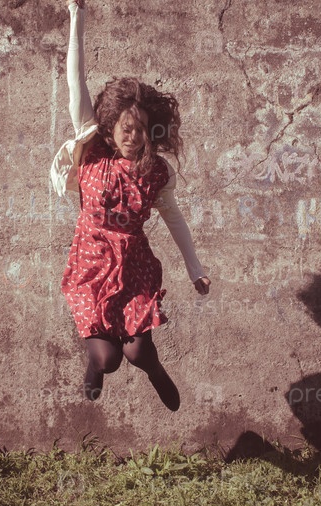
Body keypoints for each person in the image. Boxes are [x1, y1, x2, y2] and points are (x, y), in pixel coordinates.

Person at [50, 0, 211, 411]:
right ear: (111, 124)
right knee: (108, 359)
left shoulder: (155, 172)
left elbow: (174, 218)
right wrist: (76, 15)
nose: (132, 137)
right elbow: (75, 82)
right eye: (126, 128)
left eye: (140, 130)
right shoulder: (92, 150)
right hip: (91, 260)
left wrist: (195, 269)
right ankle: (94, 366)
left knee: (138, 352)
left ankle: (155, 371)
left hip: (133, 263)